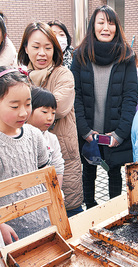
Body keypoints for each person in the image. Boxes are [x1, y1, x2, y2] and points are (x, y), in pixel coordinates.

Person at [71, 5, 138, 209]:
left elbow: (130, 97)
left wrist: (120, 133)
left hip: (115, 132)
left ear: (117, 27)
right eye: (101, 22)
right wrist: (84, 130)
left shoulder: (126, 56)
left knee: (115, 173)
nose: (106, 27)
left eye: (110, 23)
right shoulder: (80, 56)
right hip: (88, 132)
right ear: (93, 26)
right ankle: (90, 208)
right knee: (88, 172)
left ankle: (114, 212)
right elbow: (76, 97)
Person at [17, 22, 83, 218]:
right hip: (27, 160)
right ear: (26, 48)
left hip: (63, 156)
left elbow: (59, 107)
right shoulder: (18, 78)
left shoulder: (63, 74)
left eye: (48, 47)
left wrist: (21, 110)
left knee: (69, 214)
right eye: (36, 47)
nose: (42, 53)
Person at [0, 67, 50, 243]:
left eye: (28, 104)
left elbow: (46, 174)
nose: (23, 112)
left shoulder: (34, 134)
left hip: (44, 221)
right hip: (11, 233)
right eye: (15, 106)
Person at [27, 87, 64, 188]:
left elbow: (58, 168)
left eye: (53, 113)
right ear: (29, 109)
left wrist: (57, 193)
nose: (50, 118)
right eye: (44, 112)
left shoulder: (52, 139)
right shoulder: (21, 137)